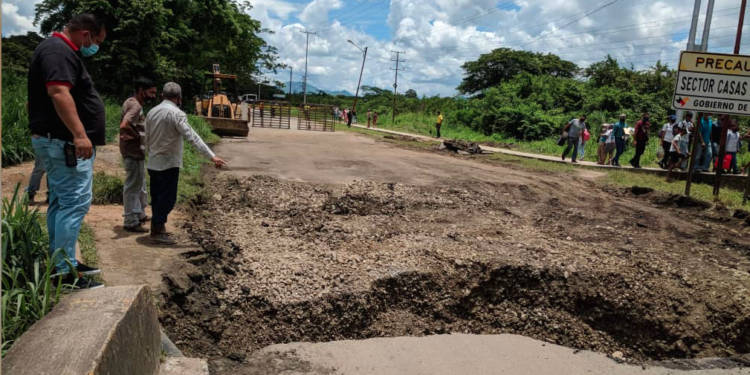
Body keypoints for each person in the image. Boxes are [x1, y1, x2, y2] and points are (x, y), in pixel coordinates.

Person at [28, 13, 107, 290]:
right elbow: (59, 92)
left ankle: (62, 262)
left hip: (59, 142)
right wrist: (80, 134)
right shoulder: (57, 50)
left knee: (62, 203)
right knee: (74, 203)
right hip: (64, 143)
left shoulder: (57, 50)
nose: (95, 47)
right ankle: (63, 272)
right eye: (96, 41)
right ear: (85, 34)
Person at [146, 82, 227, 245]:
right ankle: (157, 229)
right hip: (169, 163)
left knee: (156, 196)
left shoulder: (151, 112)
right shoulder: (177, 114)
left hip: (153, 162)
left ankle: (158, 227)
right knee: (167, 198)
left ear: (162, 96)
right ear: (179, 98)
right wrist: (212, 156)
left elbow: (146, 137)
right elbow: (193, 137)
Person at [120, 77, 157, 233]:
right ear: (141, 91)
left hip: (135, 153)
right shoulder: (135, 107)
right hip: (133, 153)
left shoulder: (130, 102)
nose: (153, 96)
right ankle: (130, 220)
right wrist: (136, 136)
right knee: (133, 186)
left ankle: (139, 214)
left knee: (140, 185)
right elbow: (124, 125)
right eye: (151, 92)